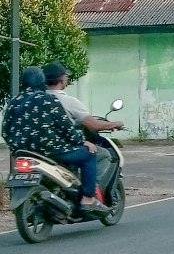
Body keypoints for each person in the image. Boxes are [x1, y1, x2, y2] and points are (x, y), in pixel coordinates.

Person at [2, 66, 109, 212]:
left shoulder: (14, 102)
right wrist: (81, 141)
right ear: (41, 81)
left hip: (23, 153)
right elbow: (65, 127)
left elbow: (6, 131)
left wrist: (15, 147)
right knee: (89, 154)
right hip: (52, 151)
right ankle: (88, 198)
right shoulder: (48, 99)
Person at [43, 61, 124, 177]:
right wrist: (115, 124)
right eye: (66, 76)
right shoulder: (67, 101)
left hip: (37, 148)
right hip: (61, 148)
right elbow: (93, 125)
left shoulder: (35, 101)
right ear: (62, 79)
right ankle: (91, 190)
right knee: (102, 154)